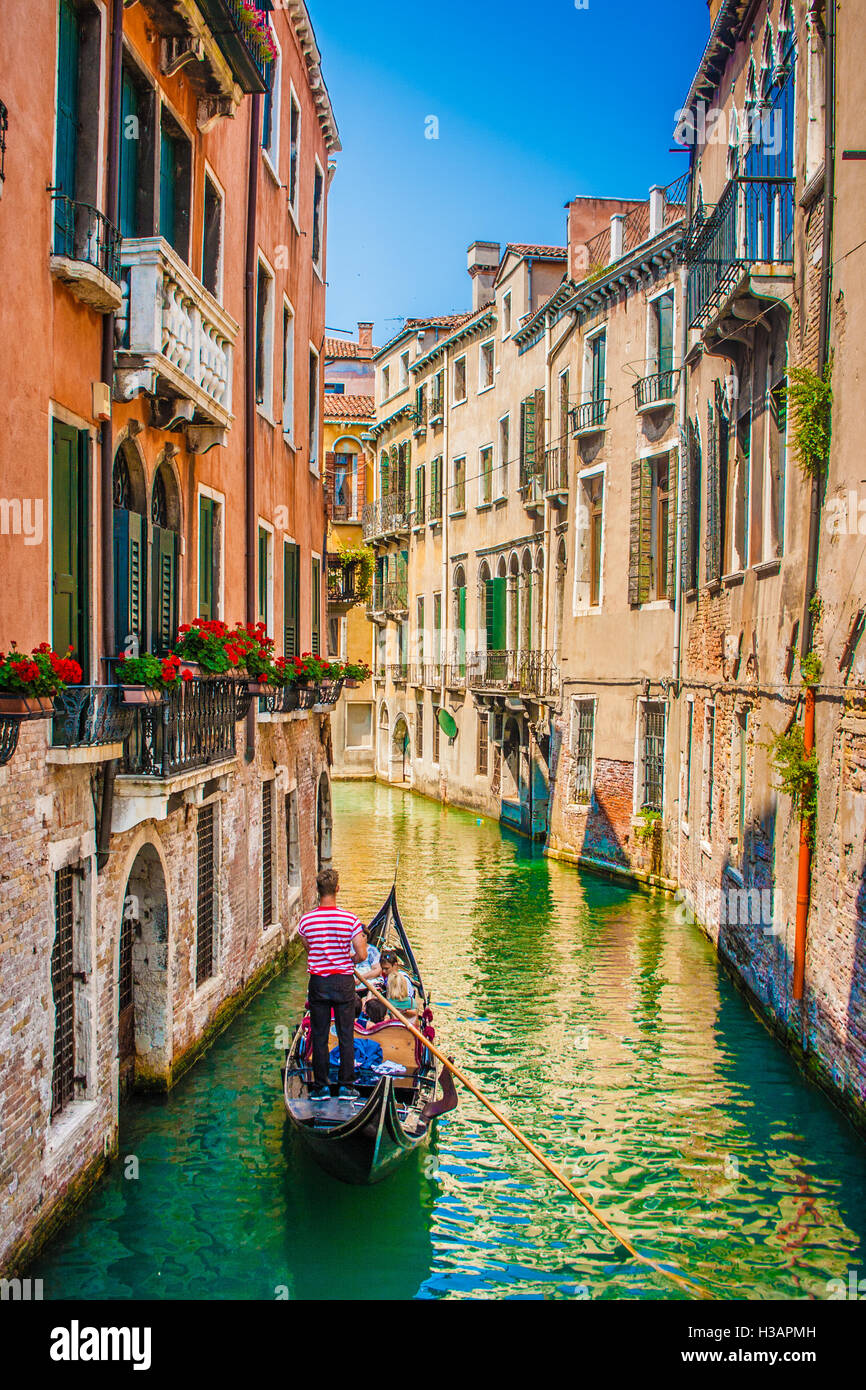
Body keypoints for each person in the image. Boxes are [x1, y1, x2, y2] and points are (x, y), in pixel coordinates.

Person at [297, 867, 368, 1101]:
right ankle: (347, 1086)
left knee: (319, 1034)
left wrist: (322, 955)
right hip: (342, 981)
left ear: (318, 891)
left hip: (318, 983)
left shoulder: (306, 920)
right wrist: (351, 959)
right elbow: (362, 954)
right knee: (346, 1033)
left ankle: (321, 1088)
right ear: (337, 889)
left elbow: (308, 947)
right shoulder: (350, 920)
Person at [380, 950, 417, 1021]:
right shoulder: (388, 977)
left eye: (386, 968)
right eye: (382, 968)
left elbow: (405, 998)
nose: (383, 971)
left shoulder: (403, 979)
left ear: (395, 965)